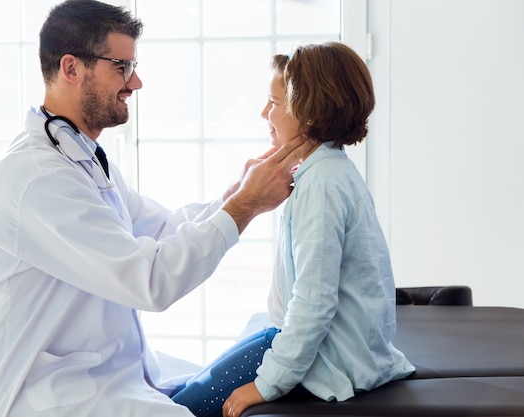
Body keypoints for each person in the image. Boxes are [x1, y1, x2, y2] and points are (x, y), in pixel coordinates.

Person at [0, 1, 316, 417]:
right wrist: (245, 206)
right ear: (72, 69)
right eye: (123, 67)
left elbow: (162, 230)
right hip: (40, 397)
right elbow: (149, 279)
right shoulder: (37, 178)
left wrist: (235, 193)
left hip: (102, 376)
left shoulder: (81, 158)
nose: (137, 82)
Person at [171, 42, 416, 417]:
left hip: (330, 362)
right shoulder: (328, 169)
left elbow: (314, 301)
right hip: (331, 348)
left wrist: (267, 384)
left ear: (310, 113)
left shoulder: (321, 185)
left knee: (183, 408)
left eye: (274, 103)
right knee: (186, 388)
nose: (264, 113)